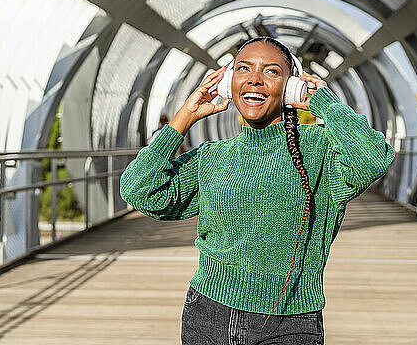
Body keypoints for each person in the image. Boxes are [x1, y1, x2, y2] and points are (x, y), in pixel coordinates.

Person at [120, 37, 395, 344]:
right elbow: (138, 190)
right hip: (208, 314)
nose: (254, 79)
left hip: (291, 322)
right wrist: (184, 116)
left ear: (291, 87)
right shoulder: (212, 156)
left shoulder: (319, 149)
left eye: (271, 72)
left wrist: (325, 104)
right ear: (228, 82)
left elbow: (372, 159)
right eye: (244, 69)